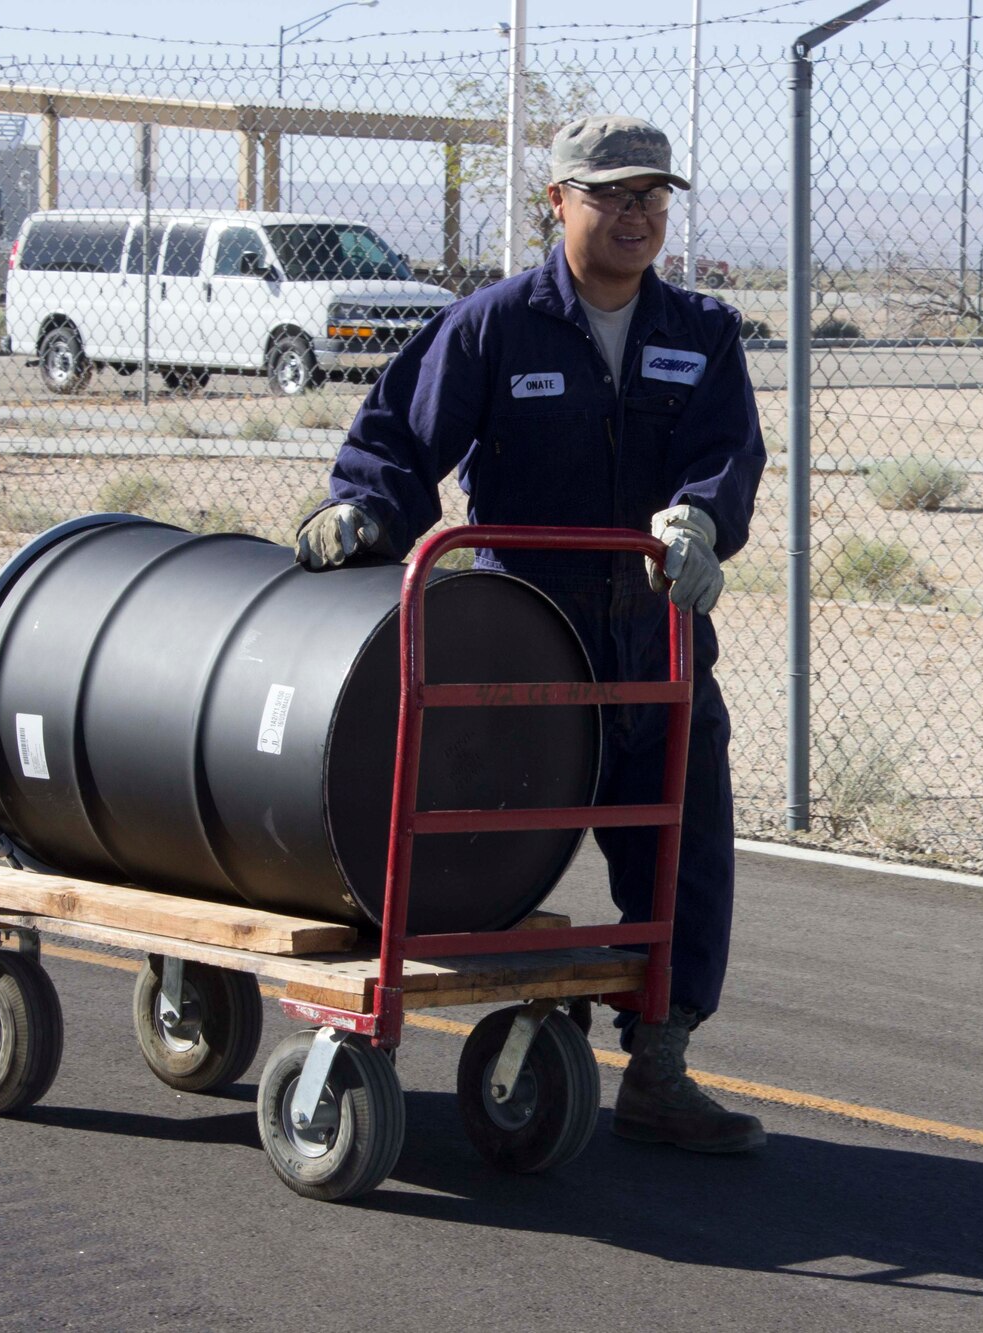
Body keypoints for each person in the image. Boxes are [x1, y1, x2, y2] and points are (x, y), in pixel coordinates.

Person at [294, 115, 767, 1154]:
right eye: (611, 195)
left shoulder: (703, 333)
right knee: (474, 842)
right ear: (554, 202)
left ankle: (659, 1063)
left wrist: (698, 517)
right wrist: (364, 511)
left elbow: (725, 453)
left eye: (653, 196)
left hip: (654, 645)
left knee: (679, 852)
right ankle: (437, 1015)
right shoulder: (491, 326)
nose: (637, 214)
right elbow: (399, 437)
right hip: (526, 647)